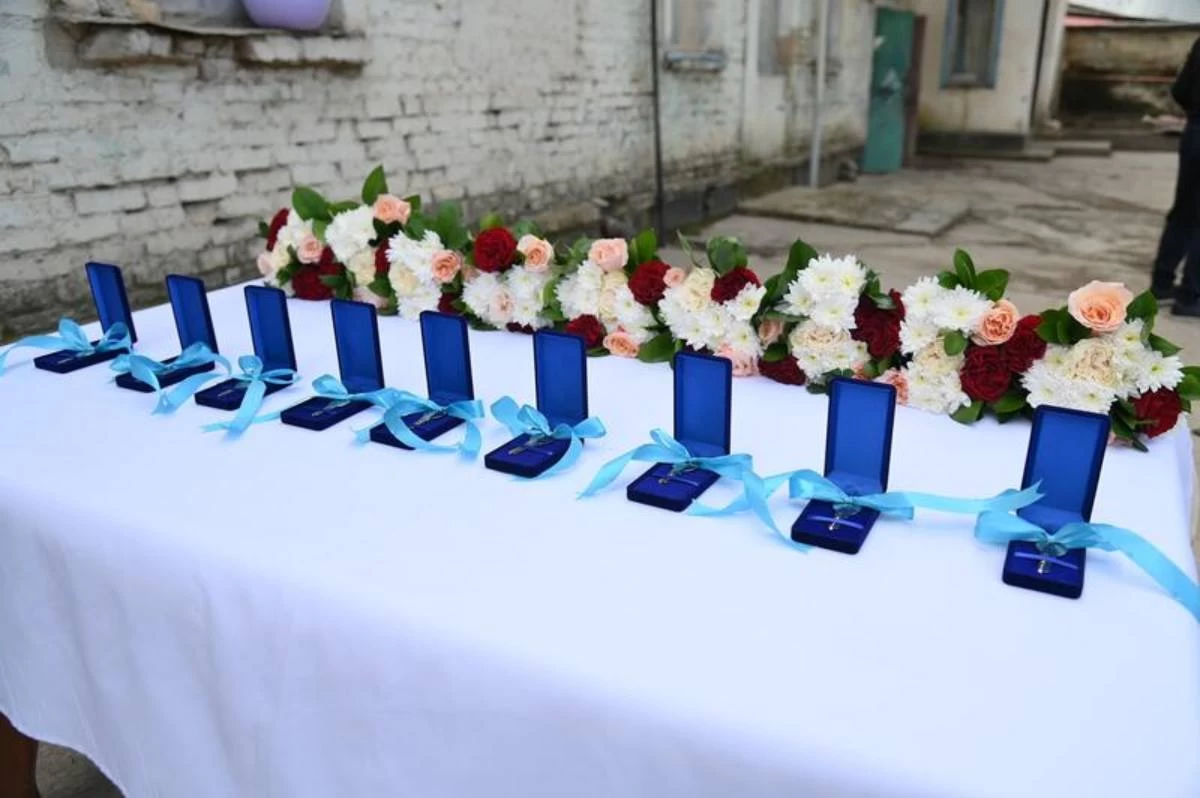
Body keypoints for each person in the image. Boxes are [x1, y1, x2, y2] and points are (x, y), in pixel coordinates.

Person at [1152, 35, 1200, 317]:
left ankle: (1161, 283)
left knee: (1184, 211)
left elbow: (1180, 90)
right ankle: (1190, 295)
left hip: (1194, 131)